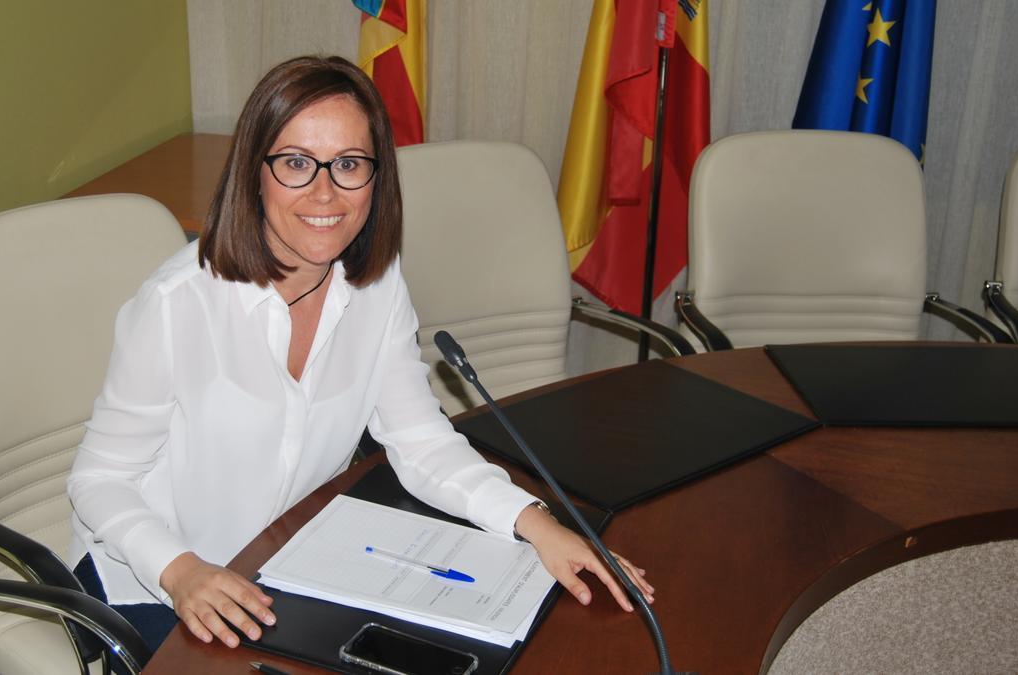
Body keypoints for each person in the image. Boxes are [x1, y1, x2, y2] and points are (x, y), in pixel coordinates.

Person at [67, 54, 654, 653]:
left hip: (285, 564)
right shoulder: (178, 303)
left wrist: (539, 525)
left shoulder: (375, 285)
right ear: (254, 173)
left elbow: (420, 443)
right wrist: (181, 570)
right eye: (297, 163)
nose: (325, 192)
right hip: (153, 574)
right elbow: (99, 480)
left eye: (348, 164)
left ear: (377, 177)